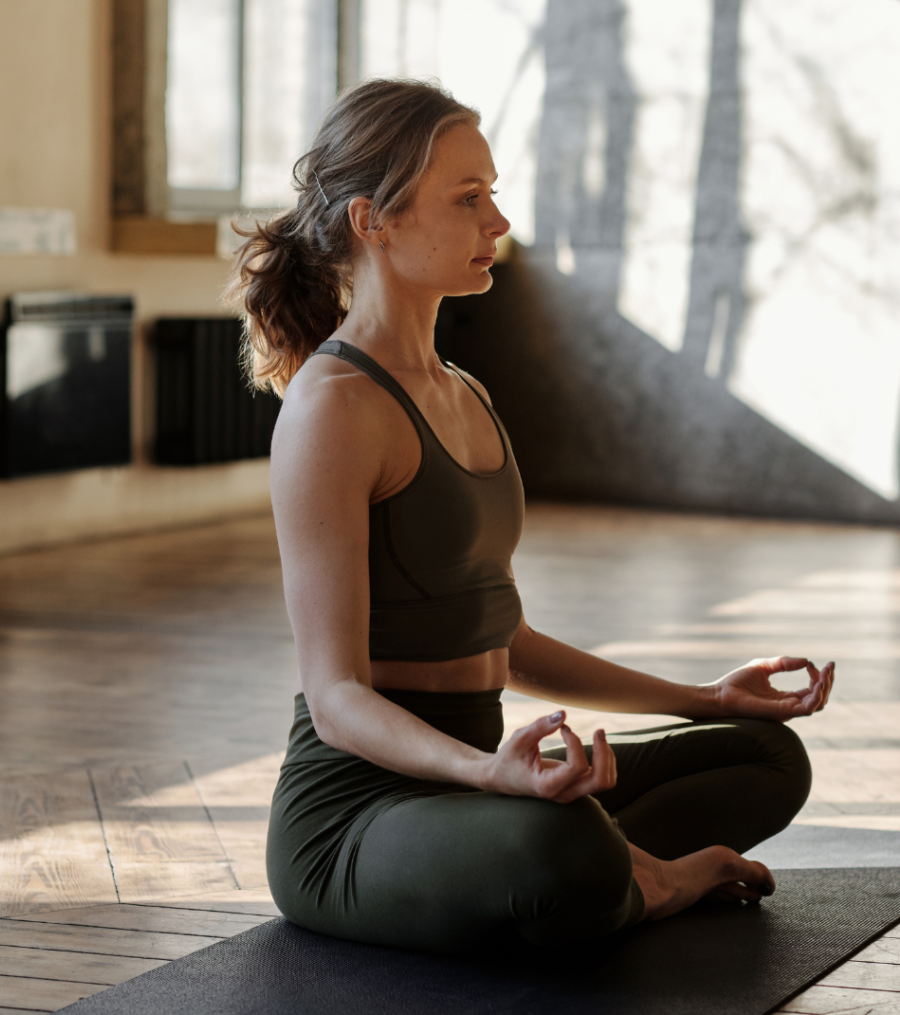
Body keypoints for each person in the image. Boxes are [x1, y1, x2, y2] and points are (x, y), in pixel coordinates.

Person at [228, 78, 833, 954]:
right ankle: (646, 879)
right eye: (469, 199)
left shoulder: (463, 393)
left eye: (493, 194)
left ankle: (608, 867)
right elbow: (336, 700)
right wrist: (487, 773)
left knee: (764, 754)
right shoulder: (333, 408)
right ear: (374, 221)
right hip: (358, 817)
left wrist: (705, 696)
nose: (498, 222)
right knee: (563, 845)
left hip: (482, 786)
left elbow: (500, 641)